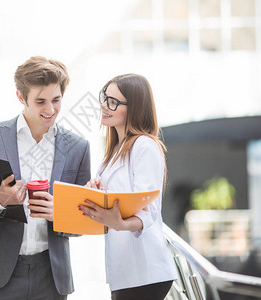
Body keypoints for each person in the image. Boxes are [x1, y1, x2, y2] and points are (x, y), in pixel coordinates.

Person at [0, 56, 91, 300]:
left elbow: (85, 222)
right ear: (20, 97)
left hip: (52, 277)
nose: (50, 110)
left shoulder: (78, 148)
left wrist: (60, 213)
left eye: (56, 100)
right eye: (40, 101)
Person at [79, 74, 177, 300]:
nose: (104, 105)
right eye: (105, 98)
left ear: (134, 108)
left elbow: (149, 208)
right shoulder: (114, 150)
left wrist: (120, 223)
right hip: (126, 270)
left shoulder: (144, 146)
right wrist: (95, 190)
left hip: (145, 271)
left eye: (113, 102)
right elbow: (117, 198)